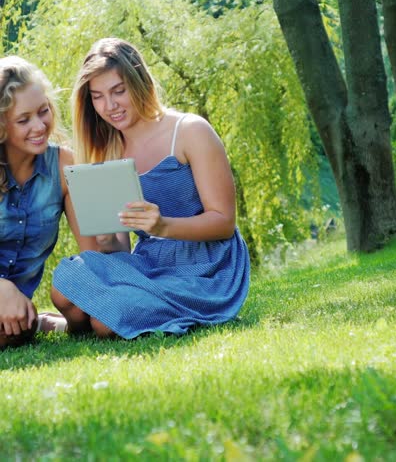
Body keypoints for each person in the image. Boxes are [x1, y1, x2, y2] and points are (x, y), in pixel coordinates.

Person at [51, 37, 250, 339]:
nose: (110, 106)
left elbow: (224, 222)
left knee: (106, 323)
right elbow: (121, 246)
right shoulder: (109, 150)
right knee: (64, 283)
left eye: (119, 91)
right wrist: (106, 240)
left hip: (207, 267)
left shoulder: (189, 131)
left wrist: (164, 225)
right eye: (98, 96)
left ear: (140, 81)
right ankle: (98, 317)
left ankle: (108, 317)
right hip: (150, 264)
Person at [0, 56, 95, 349]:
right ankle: (36, 323)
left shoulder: (65, 166)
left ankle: (35, 322)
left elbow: (92, 254)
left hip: (16, 313)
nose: (40, 126)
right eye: (24, 119)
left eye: (43, 111)